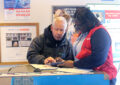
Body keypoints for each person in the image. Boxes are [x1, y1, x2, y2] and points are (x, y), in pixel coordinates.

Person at [57, 7, 117, 85]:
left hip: (103, 76)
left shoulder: (100, 32)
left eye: (80, 25)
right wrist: (65, 61)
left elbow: (98, 58)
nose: (78, 27)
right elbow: (78, 55)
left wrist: (74, 64)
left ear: (88, 22)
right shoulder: (83, 33)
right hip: (88, 75)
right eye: (76, 24)